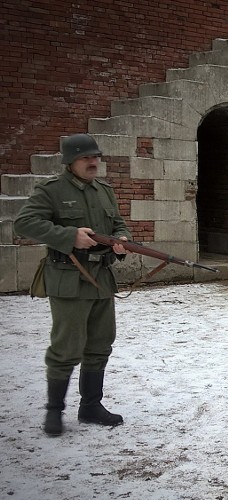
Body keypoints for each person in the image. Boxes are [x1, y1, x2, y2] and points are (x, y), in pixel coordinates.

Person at [14, 133, 131, 437]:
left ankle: (91, 406)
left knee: (100, 344)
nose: (93, 162)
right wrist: (69, 236)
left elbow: (117, 223)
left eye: (96, 157)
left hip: (101, 279)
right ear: (70, 162)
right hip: (68, 278)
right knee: (66, 347)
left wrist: (122, 239)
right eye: (86, 158)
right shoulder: (51, 190)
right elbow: (24, 223)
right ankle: (54, 412)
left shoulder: (104, 190)